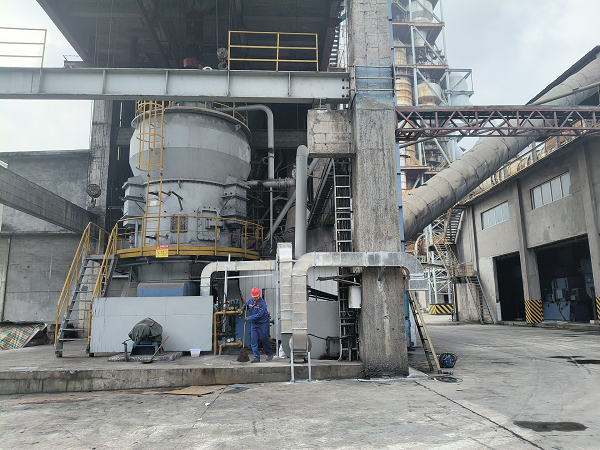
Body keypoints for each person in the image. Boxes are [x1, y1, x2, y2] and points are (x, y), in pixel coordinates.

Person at [245, 287, 274, 363]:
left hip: (262, 323)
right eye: (254, 297)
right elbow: (247, 305)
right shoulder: (250, 301)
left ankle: (269, 354)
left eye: (257, 297)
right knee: (253, 340)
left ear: (259, 296)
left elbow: (259, 315)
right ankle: (256, 357)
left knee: (264, 338)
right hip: (254, 324)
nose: (255, 298)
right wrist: (245, 306)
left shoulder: (262, 304)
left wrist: (249, 318)